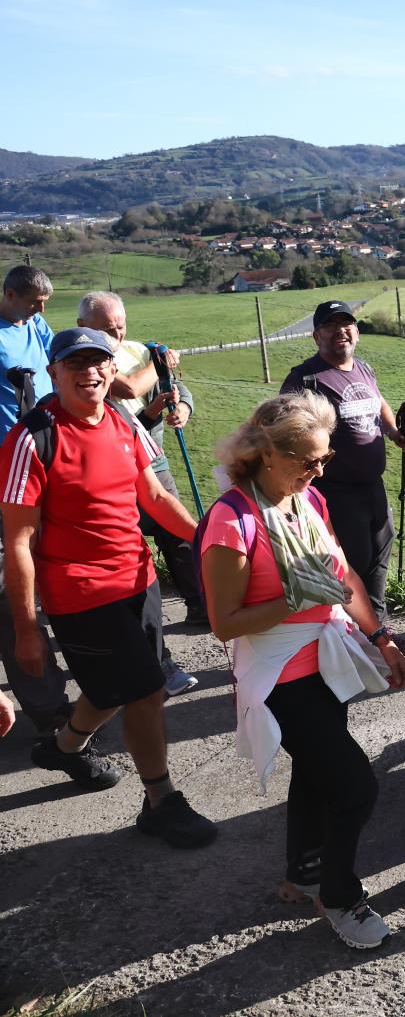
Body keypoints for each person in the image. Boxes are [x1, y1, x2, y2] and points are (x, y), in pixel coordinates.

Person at [199, 390, 405, 950]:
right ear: (268, 453)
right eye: (307, 460)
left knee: (317, 774)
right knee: (356, 787)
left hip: (326, 661)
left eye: (325, 459)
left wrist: (382, 638)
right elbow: (224, 623)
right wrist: (295, 600)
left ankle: (301, 876)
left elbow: (343, 578)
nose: (318, 470)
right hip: (278, 678)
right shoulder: (232, 520)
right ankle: (339, 896)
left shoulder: (308, 500)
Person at [2, 327, 218, 846]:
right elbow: (18, 542)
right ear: (54, 372)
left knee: (111, 688)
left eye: (100, 362)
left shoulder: (124, 422)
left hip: (137, 582)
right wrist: (28, 630)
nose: (90, 372)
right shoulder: (32, 438)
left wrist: (211, 543)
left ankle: (65, 747)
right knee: (145, 691)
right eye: (76, 363)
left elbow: (155, 498)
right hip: (80, 594)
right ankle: (161, 801)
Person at [78, 290, 201, 695]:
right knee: (132, 553)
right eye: (107, 328)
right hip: (114, 472)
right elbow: (130, 389)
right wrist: (158, 362)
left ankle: (203, 605)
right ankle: (149, 656)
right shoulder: (88, 362)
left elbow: (174, 387)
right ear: (85, 328)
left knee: (179, 538)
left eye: (120, 326)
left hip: (155, 461)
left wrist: (181, 406)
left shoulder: (134, 349)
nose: (117, 334)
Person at [280, 300, 405, 629]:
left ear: (356, 331)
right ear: (316, 335)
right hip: (334, 490)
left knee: (380, 554)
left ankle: (378, 630)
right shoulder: (304, 379)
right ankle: (354, 632)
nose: (341, 330)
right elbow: (280, 431)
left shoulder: (363, 368)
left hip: (372, 485)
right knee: (353, 562)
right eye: (331, 325)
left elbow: (377, 399)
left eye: (347, 323)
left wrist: (394, 432)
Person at [0, 265, 70, 742]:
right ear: (8, 295)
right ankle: (48, 709)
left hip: (41, 451)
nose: (39, 311)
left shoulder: (36, 325)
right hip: (6, 459)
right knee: (10, 580)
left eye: (44, 303)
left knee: (44, 563)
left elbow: (50, 367)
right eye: (31, 302)